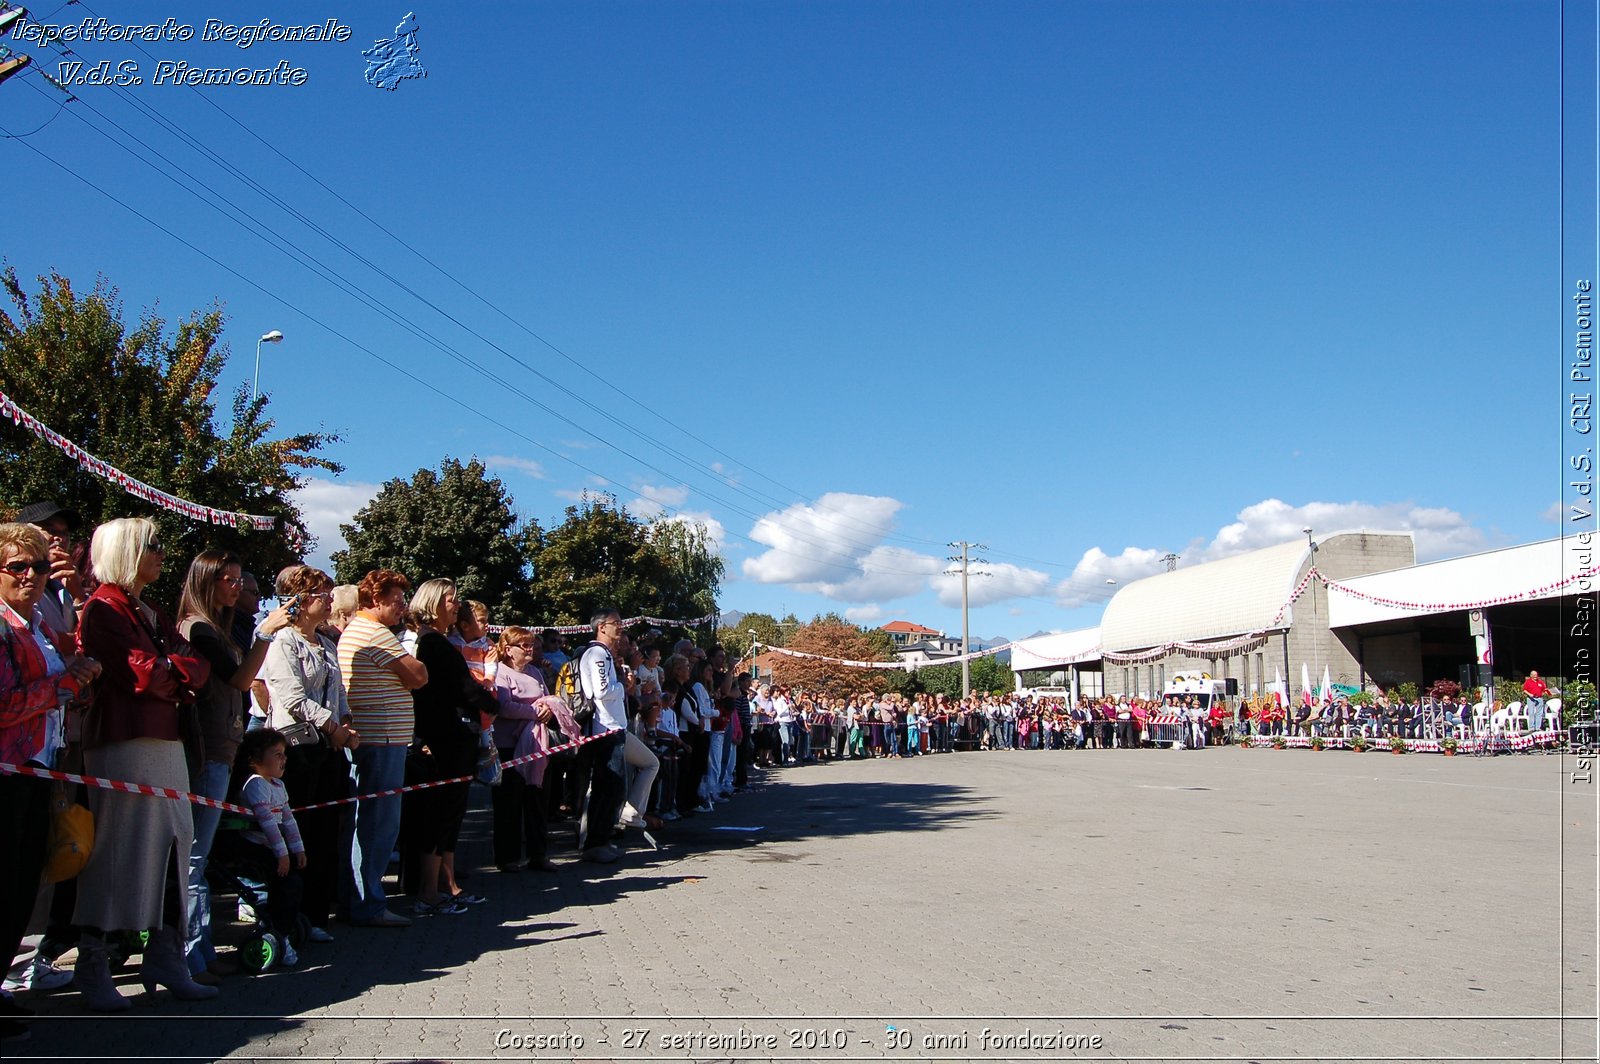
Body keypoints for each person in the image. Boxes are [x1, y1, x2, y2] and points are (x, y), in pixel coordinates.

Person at [73, 517, 217, 1009]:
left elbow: (192, 664)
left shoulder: (147, 609)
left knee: (175, 845)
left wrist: (177, 672)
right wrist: (179, 673)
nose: (160, 552)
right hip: (124, 741)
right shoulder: (103, 609)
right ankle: (94, 965)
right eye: (152, 545)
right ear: (127, 550)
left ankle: (165, 956)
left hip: (164, 741)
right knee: (119, 851)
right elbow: (150, 674)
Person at [0, 523, 100, 1036]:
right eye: (17, 567)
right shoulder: (2, 626)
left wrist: (75, 680)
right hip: (7, 770)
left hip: (39, 764)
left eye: (38, 567)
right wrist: (62, 683)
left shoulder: (35, 622)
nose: (31, 576)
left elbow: (50, 692)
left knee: (22, 886)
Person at [260, 566, 357, 943]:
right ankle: (292, 915)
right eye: (321, 593)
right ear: (298, 600)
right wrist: (333, 728)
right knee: (298, 834)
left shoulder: (328, 643)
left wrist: (344, 723)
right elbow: (292, 697)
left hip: (328, 749)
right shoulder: (284, 642)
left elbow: (338, 693)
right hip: (298, 750)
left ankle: (318, 913)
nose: (329, 599)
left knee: (325, 834)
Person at [339, 569, 428, 928]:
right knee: (378, 825)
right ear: (375, 601)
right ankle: (369, 904)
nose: (401, 607)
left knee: (368, 823)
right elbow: (419, 676)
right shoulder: (375, 633)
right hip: (382, 738)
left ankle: (360, 899)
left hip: (375, 736)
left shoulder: (356, 631)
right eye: (395, 601)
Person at [404, 579, 495, 915]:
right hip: (442, 741)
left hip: (456, 740)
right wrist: (491, 703)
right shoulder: (431, 644)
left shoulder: (440, 642)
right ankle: (428, 892)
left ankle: (447, 884)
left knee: (453, 814)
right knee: (438, 816)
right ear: (433, 603)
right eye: (451, 600)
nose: (457, 606)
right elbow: (461, 689)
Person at [574, 609, 656, 861]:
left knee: (611, 788)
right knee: (607, 787)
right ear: (601, 627)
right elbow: (601, 691)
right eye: (615, 624)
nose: (620, 628)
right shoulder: (597, 654)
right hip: (603, 730)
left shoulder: (606, 655)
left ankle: (602, 839)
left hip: (614, 728)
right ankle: (595, 843)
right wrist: (622, 685)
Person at [230, 729, 305, 969]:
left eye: (284, 754)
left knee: (294, 882)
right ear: (256, 760)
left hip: (272, 846)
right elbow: (268, 823)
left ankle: (282, 926)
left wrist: (298, 849)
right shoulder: (255, 786)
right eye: (277, 754)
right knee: (286, 882)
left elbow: (288, 821)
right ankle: (278, 933)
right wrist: (283, 854)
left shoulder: (279, 786)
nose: (284, 759)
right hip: (254, 845)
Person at [490, 627, 558, 872]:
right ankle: (507, 857)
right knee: (509, 803)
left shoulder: (536, 672)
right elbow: (503, 707)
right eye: (525, 646)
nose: (531, 650)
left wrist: (548, 711)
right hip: (509, 747)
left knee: (538, 800)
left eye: (532, 645)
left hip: (538, 746)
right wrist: (533, 712)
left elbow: (547, 699)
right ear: (508, 649)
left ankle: (538, 854)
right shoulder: (500, 673)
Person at [12, 503, 87, 637]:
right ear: (20, 536)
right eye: (50, 530)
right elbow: (35, 640)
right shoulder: (12, 582)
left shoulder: (64, 583)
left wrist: (78, 596)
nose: (61, 538)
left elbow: (94, 633)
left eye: (65, 533)